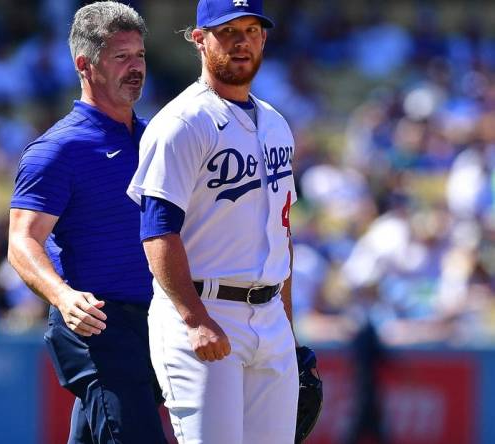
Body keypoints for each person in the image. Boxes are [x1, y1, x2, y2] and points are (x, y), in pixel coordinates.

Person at [126, 0, 300, 442]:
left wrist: (287, 322)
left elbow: (283, 230)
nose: (242, 42)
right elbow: (157, 231)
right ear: (200, 39)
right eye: (228, 31)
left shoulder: (277, 124)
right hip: (205, 310)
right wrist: (194, 317)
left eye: (252, 30)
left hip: (269, 316)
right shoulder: (182, 122)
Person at [8, 2, 165, 443]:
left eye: (140, 56)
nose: (136, 68)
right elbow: (21, 241)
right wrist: (62, 297)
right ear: (84, 64)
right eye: (121, 57)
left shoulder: (157, 138)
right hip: (96, 324)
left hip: (155, 323)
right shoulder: (56, 149)